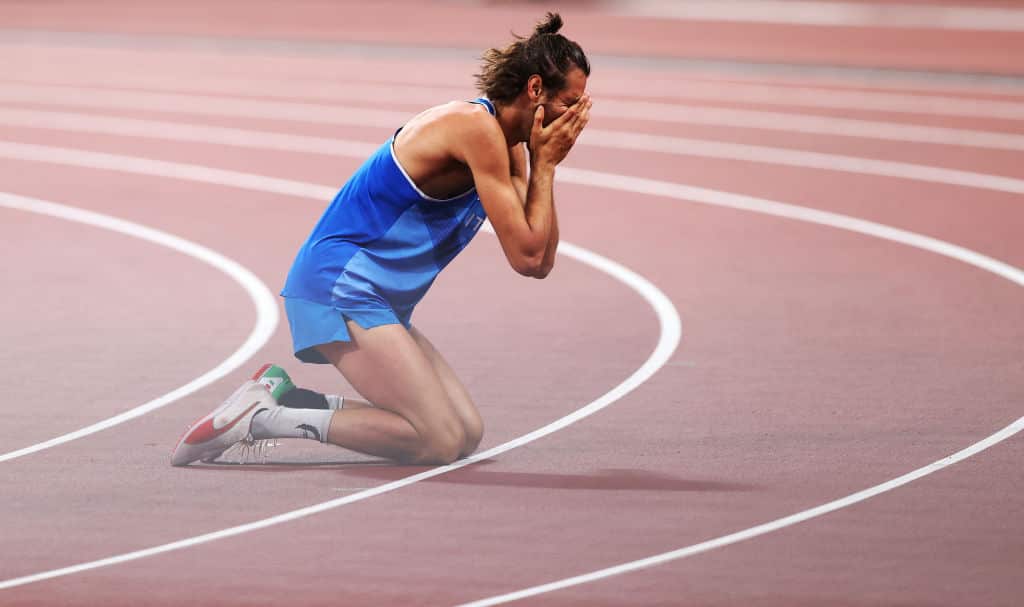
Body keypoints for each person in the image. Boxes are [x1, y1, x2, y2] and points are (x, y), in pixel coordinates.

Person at [171, 12, 592, 467]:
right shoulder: (475, 129)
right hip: (338, 287)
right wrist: (547, 166)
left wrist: (543, 163)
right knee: (436, 440)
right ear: (535, 90)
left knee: (466, 432)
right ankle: (259, 420)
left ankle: (287, 400)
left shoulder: (510, 148)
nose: (577, 117)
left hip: (376, 299)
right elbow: (527, 256)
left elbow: (540, 259)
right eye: (571, 102)